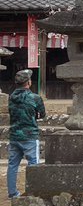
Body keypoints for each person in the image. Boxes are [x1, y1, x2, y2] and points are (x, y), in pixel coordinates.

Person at [7, 69, 45, 199]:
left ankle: (12, 193)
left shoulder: (11, 97)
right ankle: (33, 191)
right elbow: (42, 114)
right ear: (28, 82)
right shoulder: (35, 98)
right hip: (30, 135)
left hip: (14, 135)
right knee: (34, 164)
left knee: (12, 165)